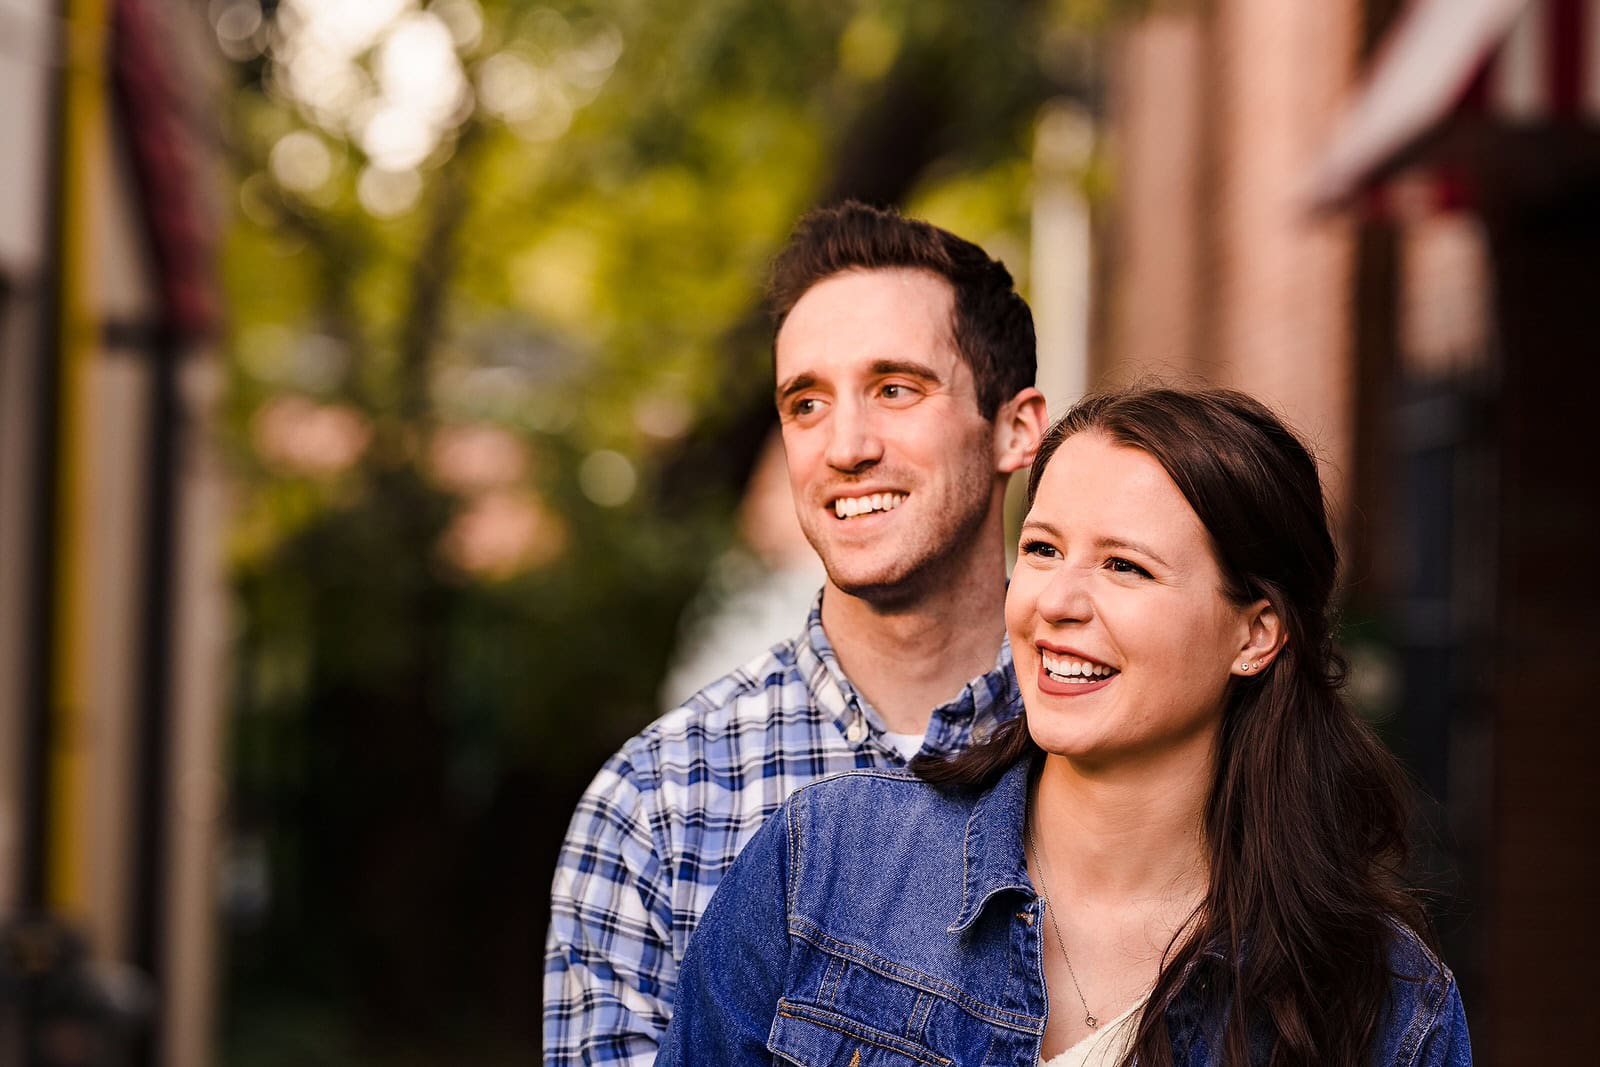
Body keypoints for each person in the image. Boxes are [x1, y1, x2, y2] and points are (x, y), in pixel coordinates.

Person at [658, 388, 1472, 1067]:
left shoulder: (1391, 1008)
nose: (1056, 602)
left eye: (1125, 565)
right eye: (1043, 548)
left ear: (1256, 632)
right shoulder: (829, 861)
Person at [543, 201, 1049, 1064]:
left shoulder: (1113, 752)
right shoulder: (655, 807)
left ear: (1015, 427)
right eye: (806, 404)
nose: (845, 446)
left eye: (895, 389)